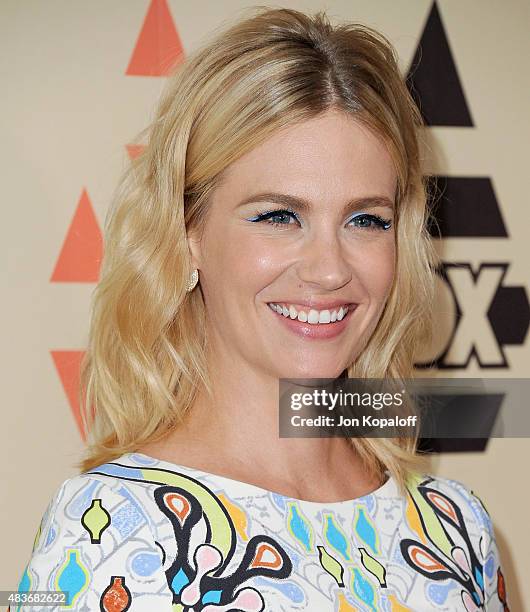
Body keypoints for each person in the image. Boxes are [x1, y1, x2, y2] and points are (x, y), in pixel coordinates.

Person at [13, 7, 509, 611]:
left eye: (365, 220)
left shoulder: (458, 530)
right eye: (278, 216)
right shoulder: (107, 535)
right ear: (188, 231)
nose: (329, 269)